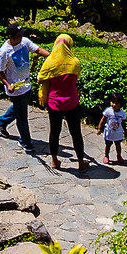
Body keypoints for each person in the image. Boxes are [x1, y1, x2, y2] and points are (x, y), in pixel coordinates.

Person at [38, 34, 88, 172]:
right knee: (76, 133)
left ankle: (54, 161)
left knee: (54, 132)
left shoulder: (49, 62)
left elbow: (40, 78)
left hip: (54, 103)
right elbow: (76, 78)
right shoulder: (75, 62)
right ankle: (80, 163)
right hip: (72, 102)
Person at [0, 23, 42, 146]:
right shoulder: (4, 52)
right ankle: (25, 142)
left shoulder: (24, 42)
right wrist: (8, 84)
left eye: (21, 35)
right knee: (22, 117)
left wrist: (53, 57)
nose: (21, 37)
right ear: (11, 36)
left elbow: (38, 49)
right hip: (15, 88)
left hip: (26, 85)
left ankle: (1, 122)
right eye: (18, 36)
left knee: (19, 108)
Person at [99, 95, 127, 165]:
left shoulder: (122, 113)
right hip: (109, 132)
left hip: (118, 133)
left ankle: (119, 156)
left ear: (120, 105)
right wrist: (99, 128)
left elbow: (123, 123)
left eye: (116, 103)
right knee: (108, 145)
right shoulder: (108, 111)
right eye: (112, 102)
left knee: (118, 145)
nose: (113, 104)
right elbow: (103, 120)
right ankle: (106, 156)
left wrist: (125, 131)